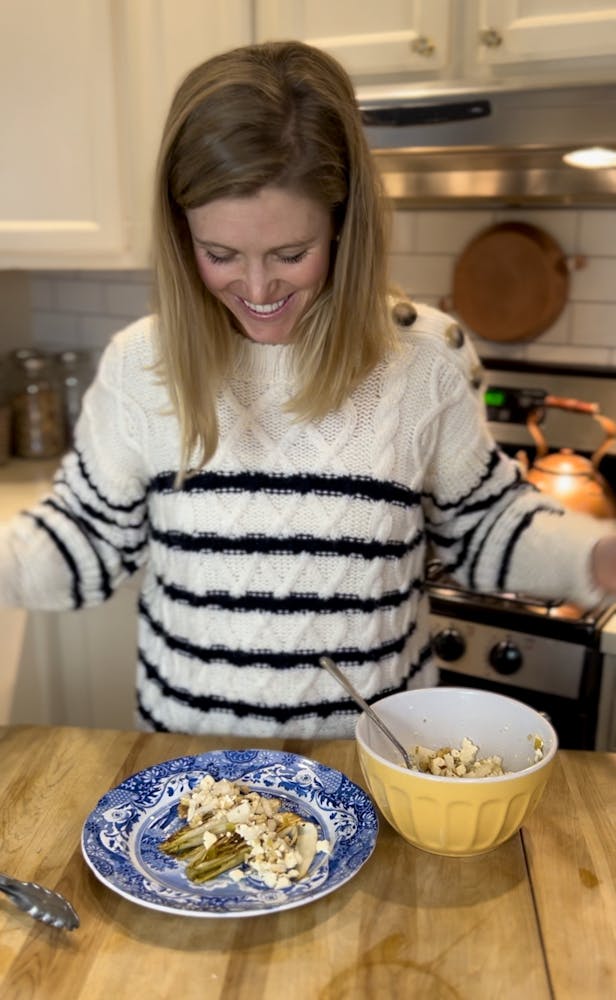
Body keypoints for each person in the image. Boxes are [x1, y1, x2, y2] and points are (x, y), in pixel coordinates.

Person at [2, 40, 616, 738]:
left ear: (344, 224)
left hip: (370, 775)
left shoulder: (425, 364)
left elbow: (487, 525)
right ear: (181, 234)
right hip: (194, 782)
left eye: (291, 255)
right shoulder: (142, 366)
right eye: (220, 254)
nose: (259, 290)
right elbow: (80, 541)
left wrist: (594, 556)